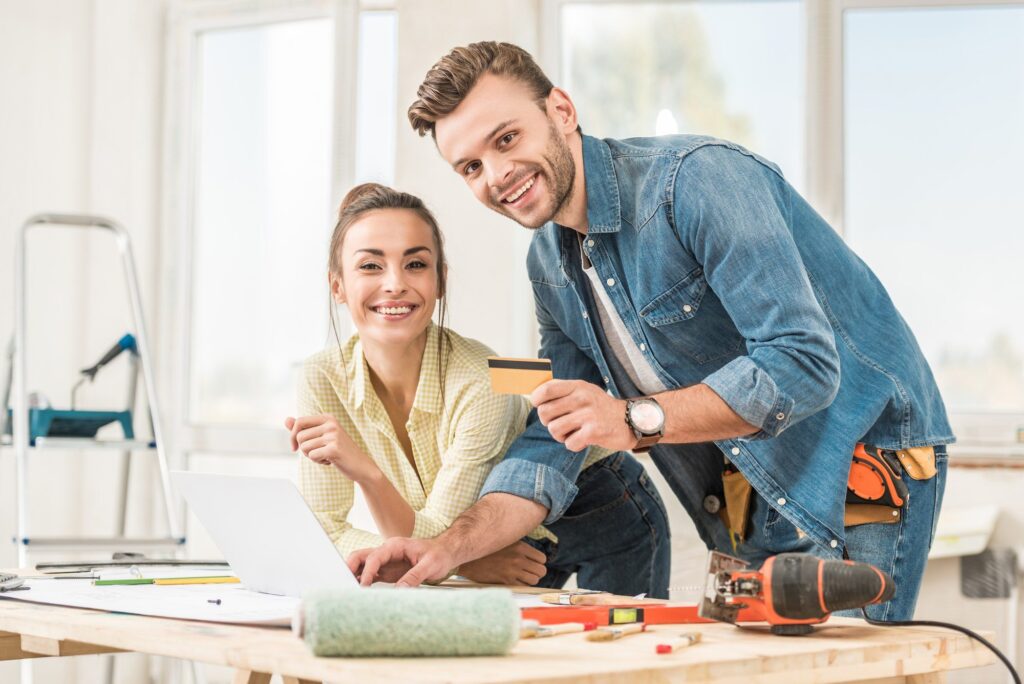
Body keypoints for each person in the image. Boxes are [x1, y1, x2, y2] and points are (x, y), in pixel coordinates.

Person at [347, 42, 952, 621]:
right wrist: (447, 550)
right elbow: (556, 438)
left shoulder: (695, 181)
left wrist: (632, 418)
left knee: (849, 665)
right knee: (754, 668)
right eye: (471, 167)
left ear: (561, 111)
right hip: (739, 487)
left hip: (859, 454)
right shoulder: (549, 265)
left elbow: (802, 364)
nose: (497, 175)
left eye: (506, 139)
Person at [286, 182, 670, 596]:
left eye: (415, 264)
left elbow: (430, 549)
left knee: (610, 651)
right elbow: (324, 530)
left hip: (603, 510)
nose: (395, 283)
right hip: (480, 537)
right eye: (370, 266)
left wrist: (367, 473)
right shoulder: (321, 377)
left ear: (441, 280)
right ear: (337, 285)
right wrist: (471, 559)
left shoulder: (482, 379)